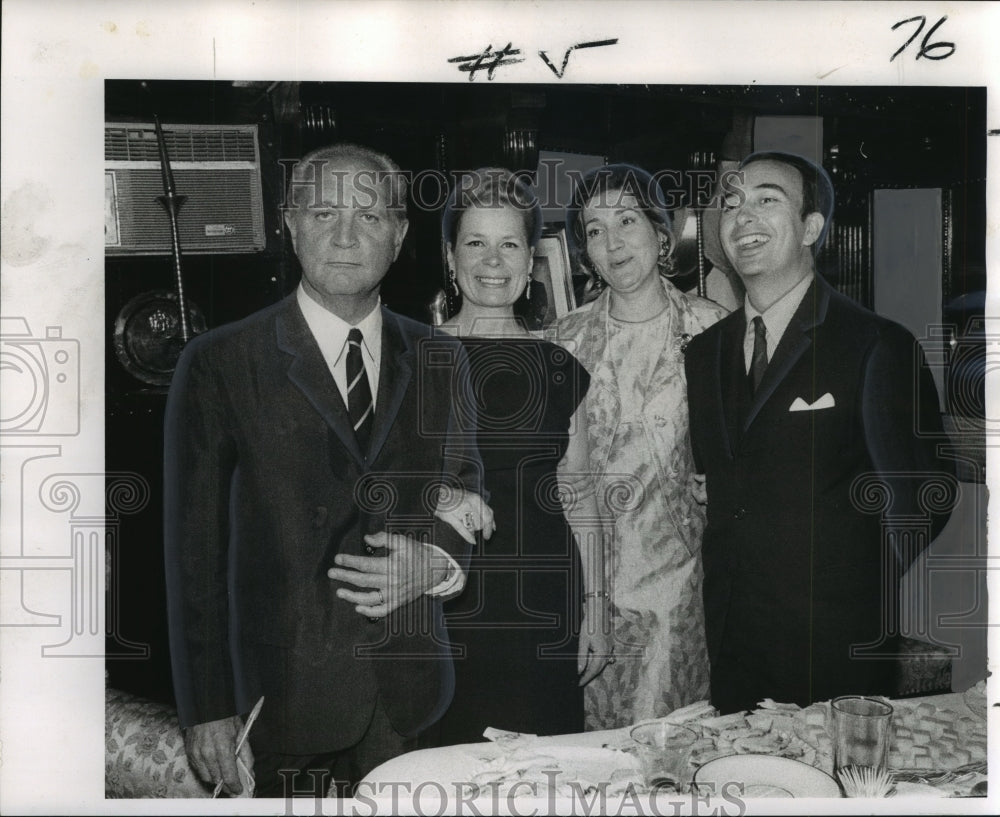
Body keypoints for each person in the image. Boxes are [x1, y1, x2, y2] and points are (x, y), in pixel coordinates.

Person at [164, 143, 485, 797]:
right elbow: (194, 552)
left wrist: (439, 561)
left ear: (398, 236)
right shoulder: (221, 362)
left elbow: (466, 484)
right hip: (281, 696)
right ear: (291, 223)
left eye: (369, 217)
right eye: (324, 212)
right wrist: (207, 704)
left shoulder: (440, 357)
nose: (344, 235)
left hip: (408, 686)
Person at [684, 151, 955, 713]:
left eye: (767, 200)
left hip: (836, 647)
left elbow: (925, 495)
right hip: (733, 640)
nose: (743, 217)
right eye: (731, 202)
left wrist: (846, 590)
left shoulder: (875, 344)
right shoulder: (703, 353)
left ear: (812, 227)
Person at [433, 168, 611, 743]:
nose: (492, 260)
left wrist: (597, 608)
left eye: (509, 243)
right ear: (451, 256)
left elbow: (580, 494)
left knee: (545, 776)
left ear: (530, 258)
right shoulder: (410, 359)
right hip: (439, 602)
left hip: (543, 602)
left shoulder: (559, 367)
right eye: (475, 243)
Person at [551, 164, 729, 730]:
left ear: (661, 232)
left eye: (627, 220)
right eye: (595, 230)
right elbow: (559, 477)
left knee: (675, 755)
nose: (613, 242)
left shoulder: (713, 330)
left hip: (687, 586)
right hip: (590, 582)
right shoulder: (563, 340)